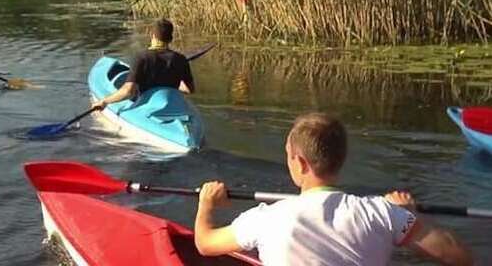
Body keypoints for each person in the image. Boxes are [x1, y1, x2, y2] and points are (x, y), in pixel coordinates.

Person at [194, 112, 474, 265]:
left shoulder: (264, 218)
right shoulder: (383, 213)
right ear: (340, 159)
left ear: (300, 163)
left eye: (288, 155)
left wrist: (207, 203)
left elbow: (205, 244)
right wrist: (408, 215)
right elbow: (459, 256)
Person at [91, 18, 194, 111]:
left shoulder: (142, 57)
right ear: (171, 38)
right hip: (171, 105)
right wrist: (173, 82)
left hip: (147, 107)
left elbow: (128, 91)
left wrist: (104, 101)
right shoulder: (181, 59)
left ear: (152, 36)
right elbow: (189, 89)